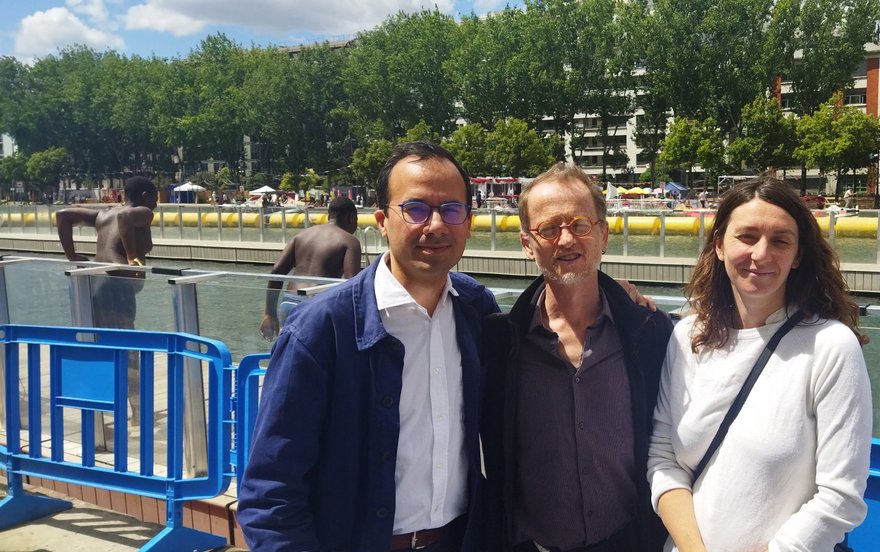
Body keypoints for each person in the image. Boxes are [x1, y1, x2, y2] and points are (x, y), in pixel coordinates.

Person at [238, 142, 500, 552]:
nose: (435, 225)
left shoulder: (476, 310)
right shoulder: (321, 331)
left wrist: (623, 301)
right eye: (415, 209)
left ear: (468, 221)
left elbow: (548, 331)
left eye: (451, 209)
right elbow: (270, 491)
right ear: (381, 220)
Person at [648, 177, 873, 552]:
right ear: (719, 245)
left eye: (780, 240)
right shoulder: (686, 337)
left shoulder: (830, 346)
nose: (762, 253)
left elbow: (841, 497)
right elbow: (663, 458)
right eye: (747, 236)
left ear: (799, 255)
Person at [480, 163, 673, 552]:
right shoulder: (498, 342)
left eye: (580, 225)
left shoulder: (651, 333)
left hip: (630, 541)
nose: (566, 240)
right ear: (526, 243)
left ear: (603, 234)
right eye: (549, 229)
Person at [56, 176, 158, 421]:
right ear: (145, 197)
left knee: (103, 347)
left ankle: (101, 414)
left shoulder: (103, 214)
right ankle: (138, 415)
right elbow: (126, 218)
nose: (155, 205)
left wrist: (72, 256)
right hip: (116, 286)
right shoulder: (141, 212)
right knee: (128, 350)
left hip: (95, 285)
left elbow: (62, 215)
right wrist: (133, 258)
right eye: (155, 199)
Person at [258, 196, 363, 340]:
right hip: (318, 304)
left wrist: (269, 313)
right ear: (351, 217)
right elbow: (352, 282)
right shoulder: (350, 241)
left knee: (290, 350)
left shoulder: (302, 235)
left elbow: (277, 271)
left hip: (289, 301)